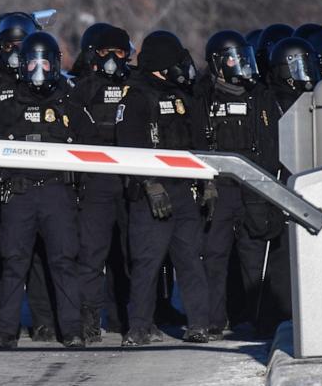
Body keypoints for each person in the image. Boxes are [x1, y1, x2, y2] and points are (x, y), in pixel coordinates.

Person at [0, 31, 93, 349]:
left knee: (64, 261)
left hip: (58, 193)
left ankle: (71, 330)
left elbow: (92, 146)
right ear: (22, 65)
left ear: (56, 65)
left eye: (45, 62)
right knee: (14, 262)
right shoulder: (8, 106)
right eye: (33, 62)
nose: (39, 70)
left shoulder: (69, 103)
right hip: (19, 194)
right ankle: (6, 331)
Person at [0, 12, 58, 344]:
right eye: (8, 46)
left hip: (38, 176)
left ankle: (44, 318)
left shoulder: (43, 69)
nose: (16, 52)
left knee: (36, 251)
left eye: (21, 45)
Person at [117, 31, 211, 345]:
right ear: (161, 64)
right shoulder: (136, 96)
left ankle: (199, 323)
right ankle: (139, 327)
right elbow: (129, 145)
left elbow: (199, 143)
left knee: (190, 259)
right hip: (150, 195)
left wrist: (208, 182)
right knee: (147, 263)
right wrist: (149, 183)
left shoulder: (185, 95)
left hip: (184, 190)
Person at [198, 30, 278, 339]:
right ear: (218, 63)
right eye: (233, 59)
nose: (239, 65)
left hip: (253, 184)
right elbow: (197, 140)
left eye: (243, 58)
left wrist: (267, 184)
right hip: (219, 187)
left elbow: (271, 142)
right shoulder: (204, 97)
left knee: (254, 252)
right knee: (214, 255)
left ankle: (259, 318)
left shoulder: (261, 95)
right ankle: (215, 319)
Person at [69, 23, 134, 343]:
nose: (112, 59)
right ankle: (88, 318)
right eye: (105, 52)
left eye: (120, 53)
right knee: (91, 255)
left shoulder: (135, 87)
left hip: (129, 182)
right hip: (94, 184)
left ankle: (124, 316)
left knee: (127, 254)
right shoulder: (79, 89)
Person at [259, 36, 322, 335]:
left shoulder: (318, 98)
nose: (304, 72)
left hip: (315, 180)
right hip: (282, 181)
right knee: (281, 256)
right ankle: (276, 315)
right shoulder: (270, 99)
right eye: (298, 66)